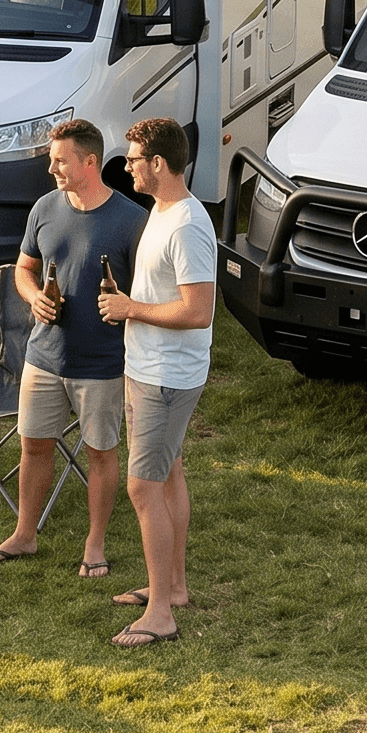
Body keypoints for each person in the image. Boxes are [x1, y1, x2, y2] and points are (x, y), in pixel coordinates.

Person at [0, 119, 142, 576]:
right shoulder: (45, 208)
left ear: (90, 162)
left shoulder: (131, 221)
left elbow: (146, 292)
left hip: (103, 362)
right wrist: (34, 298)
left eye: (60, 160)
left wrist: (127, 305)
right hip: (43, 357)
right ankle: (24, 534)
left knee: (100, 453)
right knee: (33, 446)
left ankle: (95, 544)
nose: (51, 168)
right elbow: (24, 268)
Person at [98, 117, 217, 647]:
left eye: (132, 160)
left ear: (158, 165)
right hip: (148, 368)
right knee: (167, 476)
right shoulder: (162, 211)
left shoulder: (188, 224)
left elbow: (199, 311)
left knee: (143, 486)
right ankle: (171, 587)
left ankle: (162, 615)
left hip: (166, 376)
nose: (126, 167)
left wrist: (131, 309)